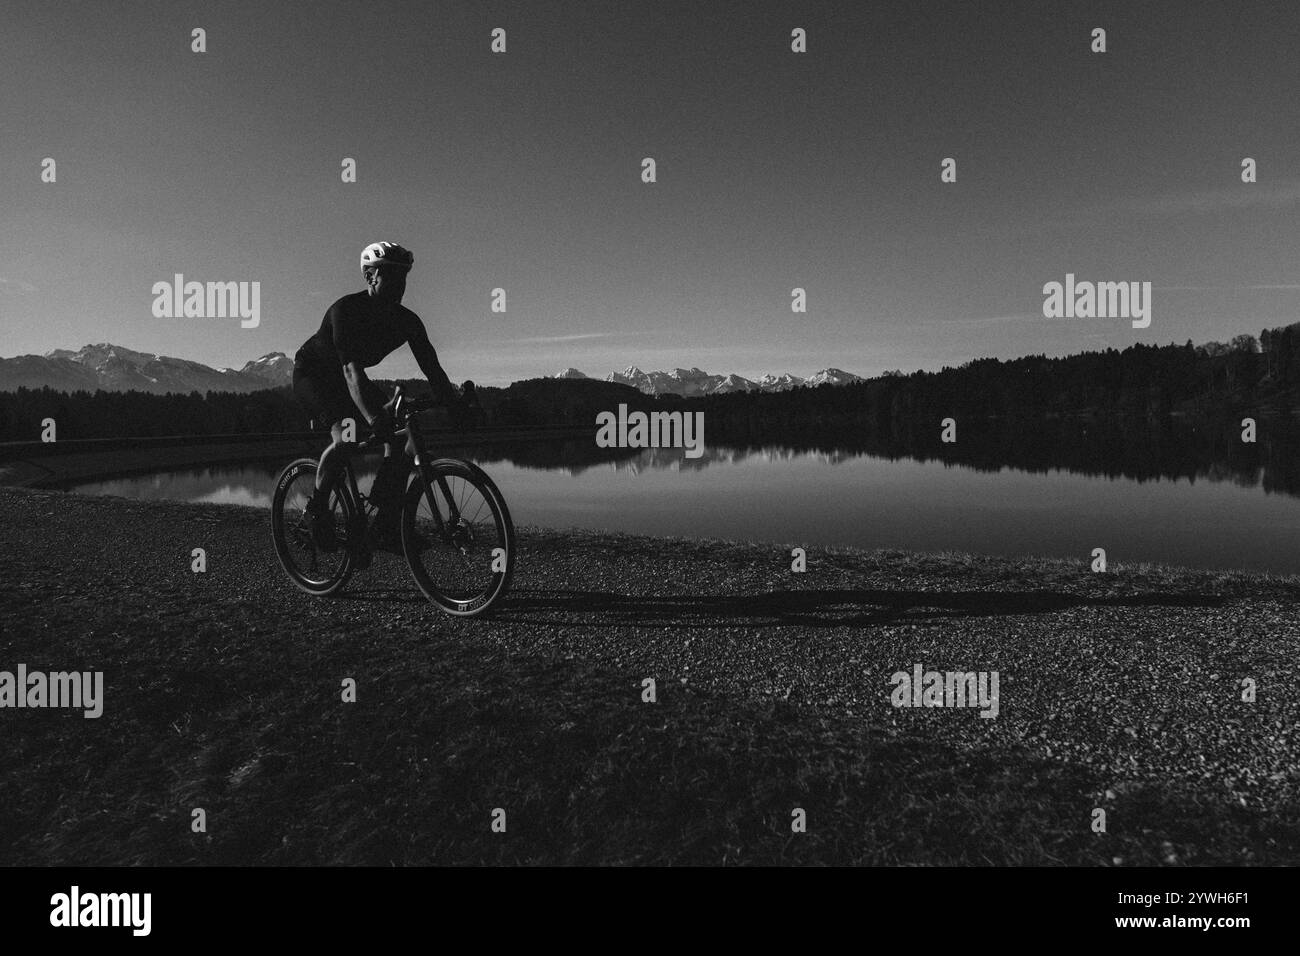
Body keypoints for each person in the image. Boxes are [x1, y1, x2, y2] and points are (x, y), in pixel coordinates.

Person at [292, 241, 461, 553]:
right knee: (345, 437)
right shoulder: (346, 311)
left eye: (403, 278)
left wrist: (453, 402)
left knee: (398, 439)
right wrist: (373, 418)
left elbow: (433, 369)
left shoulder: (408, 321)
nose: (399, 285)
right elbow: (350, 372)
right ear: (369, 277)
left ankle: (385, 522)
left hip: (351, 379)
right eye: (390, 277)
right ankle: (316, 511)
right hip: (315, 375)